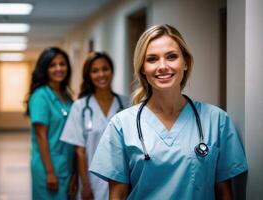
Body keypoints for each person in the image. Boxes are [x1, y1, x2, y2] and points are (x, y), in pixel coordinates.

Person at [89, 24, 248, 199]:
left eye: (171, 57)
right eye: (152, 59)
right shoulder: (121, 124)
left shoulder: (216, 120)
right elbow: (117, 194)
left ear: (185, 62)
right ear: (142, 67)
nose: (162, 66)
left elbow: (224, 192)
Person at [60, 52, 130, 200]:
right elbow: (79, 151)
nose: (101, 74)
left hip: (121, 178)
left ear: (112, 71)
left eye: (105, 69)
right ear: (88, 76)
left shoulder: (126, 105)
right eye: (95, 71)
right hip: (90, 180)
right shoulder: (80, 107)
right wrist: (85, 185)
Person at [28, 47, 76, 200]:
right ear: (45, 69)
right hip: (48, 166)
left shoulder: (65, 96)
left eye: (62, 64)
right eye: (53, 65)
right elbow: (40, 135)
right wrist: (49, 172)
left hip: (65, 164)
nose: (59, 69)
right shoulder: (40, 96)